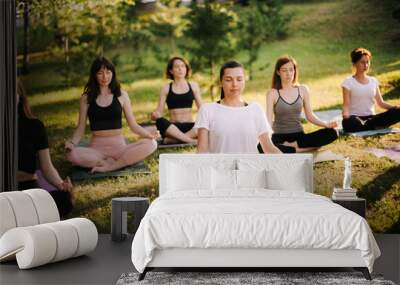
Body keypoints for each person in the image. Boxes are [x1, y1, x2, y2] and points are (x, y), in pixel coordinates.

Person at [66, 56, 157, 173]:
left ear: (113, 73)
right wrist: (72, 144)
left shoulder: (121, 95)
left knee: (151, 144)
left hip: (120, 148)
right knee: (71, 154)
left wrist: (149, 135)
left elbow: (133, 125)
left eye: (108, 72)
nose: (105, 77)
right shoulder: (86, 98)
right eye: (100, 73)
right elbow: (80, 127)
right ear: (94, 75)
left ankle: (111, 166)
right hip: (96, 150)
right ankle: (108, 162)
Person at [195, 60, 281, 154]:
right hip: (218, 168)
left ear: (244, 81)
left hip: (250, 167)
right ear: (221, 82)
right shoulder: (207, 110)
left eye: (239, 79)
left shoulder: (255, 109)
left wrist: (286, 161)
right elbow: (201, 152)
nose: (234, 84)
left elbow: (269, 148)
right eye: (228, 80)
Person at [17, 79, 73, 217]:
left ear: (20, 96)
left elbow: (46, 167)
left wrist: (61, 184)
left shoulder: (34, 126)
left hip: (27, 188)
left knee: (63, 199)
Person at [264, 55, 338, 153]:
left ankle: (292, 147)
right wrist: (265, 137)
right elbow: (268, 121)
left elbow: (310, 116)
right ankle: (302, 149)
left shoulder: (302, 90)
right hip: (278, 137)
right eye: (284, 70)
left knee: (333, 133)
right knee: (262, 146)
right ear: (278, 72)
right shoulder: (272, 93)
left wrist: (326, 125)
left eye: (291, 70)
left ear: (295, 71)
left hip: (299, 136)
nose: (288, 74)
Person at [341, 47, 400, 133]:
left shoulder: (373, 80)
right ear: (354, 64)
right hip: (355, 119)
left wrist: (396, 109)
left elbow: (381, 103)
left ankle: (368, 126)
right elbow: (346, 104)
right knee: (348, 122)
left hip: (372, 118)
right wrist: (345, 115)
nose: (366, 65)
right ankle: (373, 127)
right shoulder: (348, 82)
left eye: (367, 62)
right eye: (362, 62)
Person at [151, 56, 202, 144]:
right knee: (160, 121)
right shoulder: (166, 88)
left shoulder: (193, 86)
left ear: (186, 69)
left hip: (190, 126)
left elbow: (202, 109)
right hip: (172, 128)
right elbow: (159, 112)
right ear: (171, 71)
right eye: (177, 67)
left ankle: (173, 140)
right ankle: (190, 140)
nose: (180, 69)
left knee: (203, 126)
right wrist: (155, 115)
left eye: (183, 66)